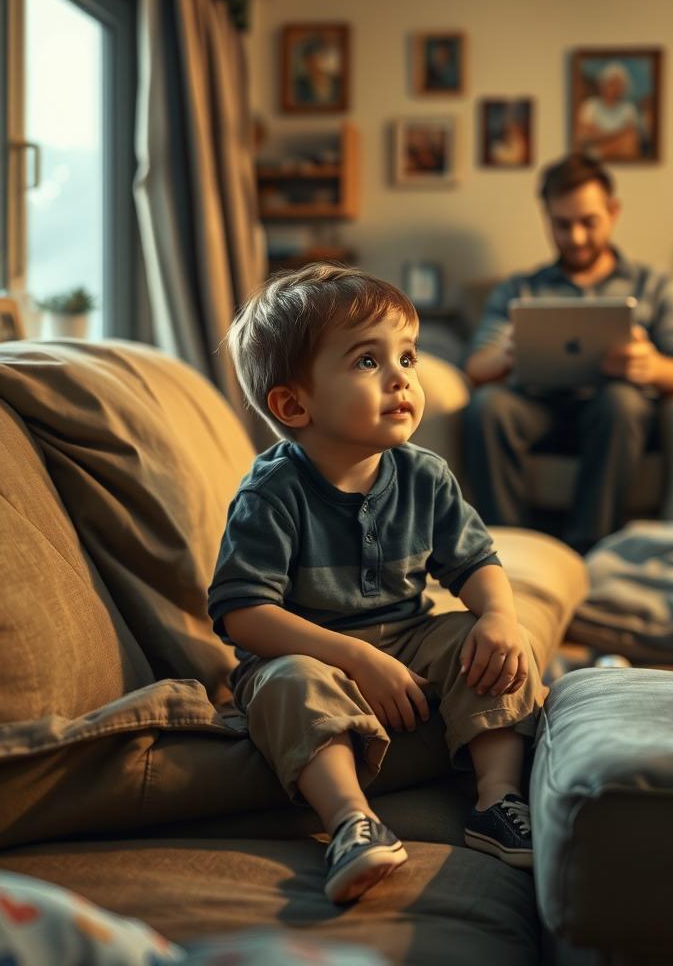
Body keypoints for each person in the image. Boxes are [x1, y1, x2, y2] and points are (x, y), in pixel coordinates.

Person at [209, 265, 546, 905]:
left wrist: (499, 616)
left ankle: (497, 800)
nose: (402, 378)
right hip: (308, 654)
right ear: (293, 404)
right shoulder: (272, 491)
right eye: (368, 361)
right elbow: (243, 615)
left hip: (412, 638)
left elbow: (476, 564)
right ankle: (351, 824)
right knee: (287, 684)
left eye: (408, 357)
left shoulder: (424, 476)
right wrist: (358, 658)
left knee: (492, 641)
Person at [463, 153, 673, 554]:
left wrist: (652, 366)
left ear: (613, 212)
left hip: (614, 417)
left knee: (622, 402)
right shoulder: (519, 289)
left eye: (587, 222)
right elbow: (475, 365)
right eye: (562, 224)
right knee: (488, 406)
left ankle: (589, 549)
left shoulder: (654, 285)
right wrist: (507, 353)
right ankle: (507, 552)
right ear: (546, 218)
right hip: (536, 409)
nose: (575, 237)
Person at [573, 62, 641, 161]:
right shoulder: (590, 105)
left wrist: (602, 139)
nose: (615, 88)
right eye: (611, 83)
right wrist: (618, 136)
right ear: (602, 84)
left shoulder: (629, 109)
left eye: (619, 84)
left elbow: (630, 139)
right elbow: (585, 136)